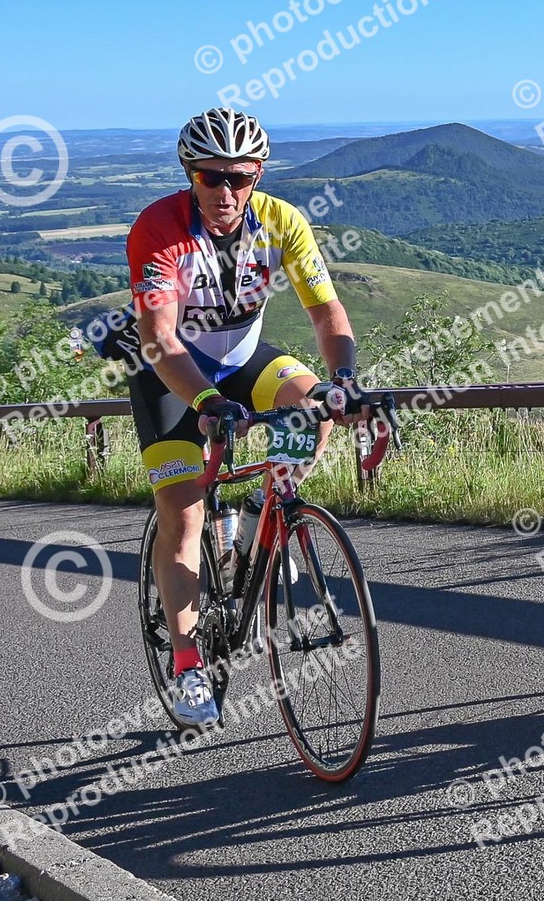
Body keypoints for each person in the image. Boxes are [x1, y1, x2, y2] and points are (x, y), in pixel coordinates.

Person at [126, 107, 365, 726]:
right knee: (183, 511)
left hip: (243, 358)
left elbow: (326, 313)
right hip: (173, 371)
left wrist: (344, 381)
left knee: (314, 407)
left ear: (257, 175)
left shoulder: (282, 221)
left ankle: (267, 516)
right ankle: (187, 663)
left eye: (240, 177)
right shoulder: (160, 228)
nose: (226, 191)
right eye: (211, 177)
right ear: (190, 174)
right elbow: (160, 338)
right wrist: (206, 402)